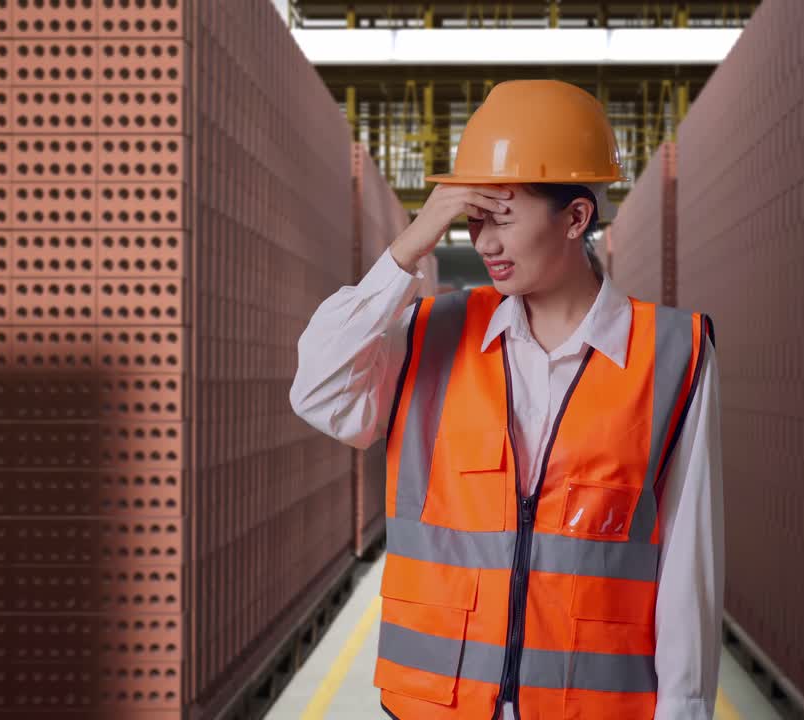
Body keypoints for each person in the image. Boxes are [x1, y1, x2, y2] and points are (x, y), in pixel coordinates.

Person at [290, 79, 724, 720]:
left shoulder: (674, 353)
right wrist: (409, 245)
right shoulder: (430, 333)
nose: (483, 242)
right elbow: (320, 394)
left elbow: (691, 561)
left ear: (577, 217)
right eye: (472, 220)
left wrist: (684, 711)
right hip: (437, 707)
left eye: (503, 217)